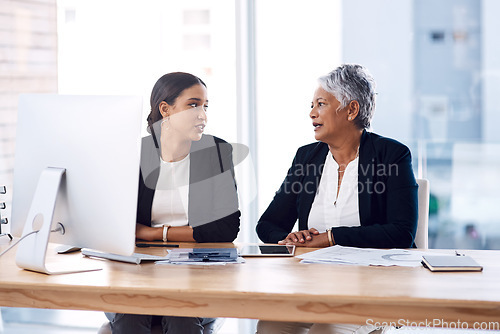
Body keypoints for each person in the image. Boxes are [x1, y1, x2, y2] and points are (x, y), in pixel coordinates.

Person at [255, 64, 418, 334]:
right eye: (312, 105)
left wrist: (331, 237)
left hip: (370, 291)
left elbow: (402, 233)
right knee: (269, 327)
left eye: (321, 104)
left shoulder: (392, 155)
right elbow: (267, 225)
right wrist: (291, 238)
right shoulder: (307, 158)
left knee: (325, 331)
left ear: (351, 110)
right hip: (310, 288)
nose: (311, 113)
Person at [107, 72, 240, 334]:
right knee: (130, 319)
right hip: (141, 267)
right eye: (193, 105)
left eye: (205, 106)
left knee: (182, 320)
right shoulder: (135, 155)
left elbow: (225, 228)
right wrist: (186, 234)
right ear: (166, 110)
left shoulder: (214, 152)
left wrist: (151, 233)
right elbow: (115, 223)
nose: (203, 115)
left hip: (197, 267)